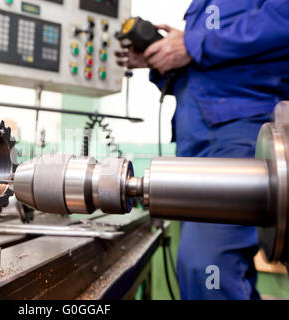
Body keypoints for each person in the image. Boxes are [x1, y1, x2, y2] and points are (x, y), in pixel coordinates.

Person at [116, 0, 289, 299]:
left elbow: (281, 22)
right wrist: (160, 59)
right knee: (217, 270)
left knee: (206, 266)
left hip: (241, 135)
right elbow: (207, 73)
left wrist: (192, 43)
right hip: (197, 141)